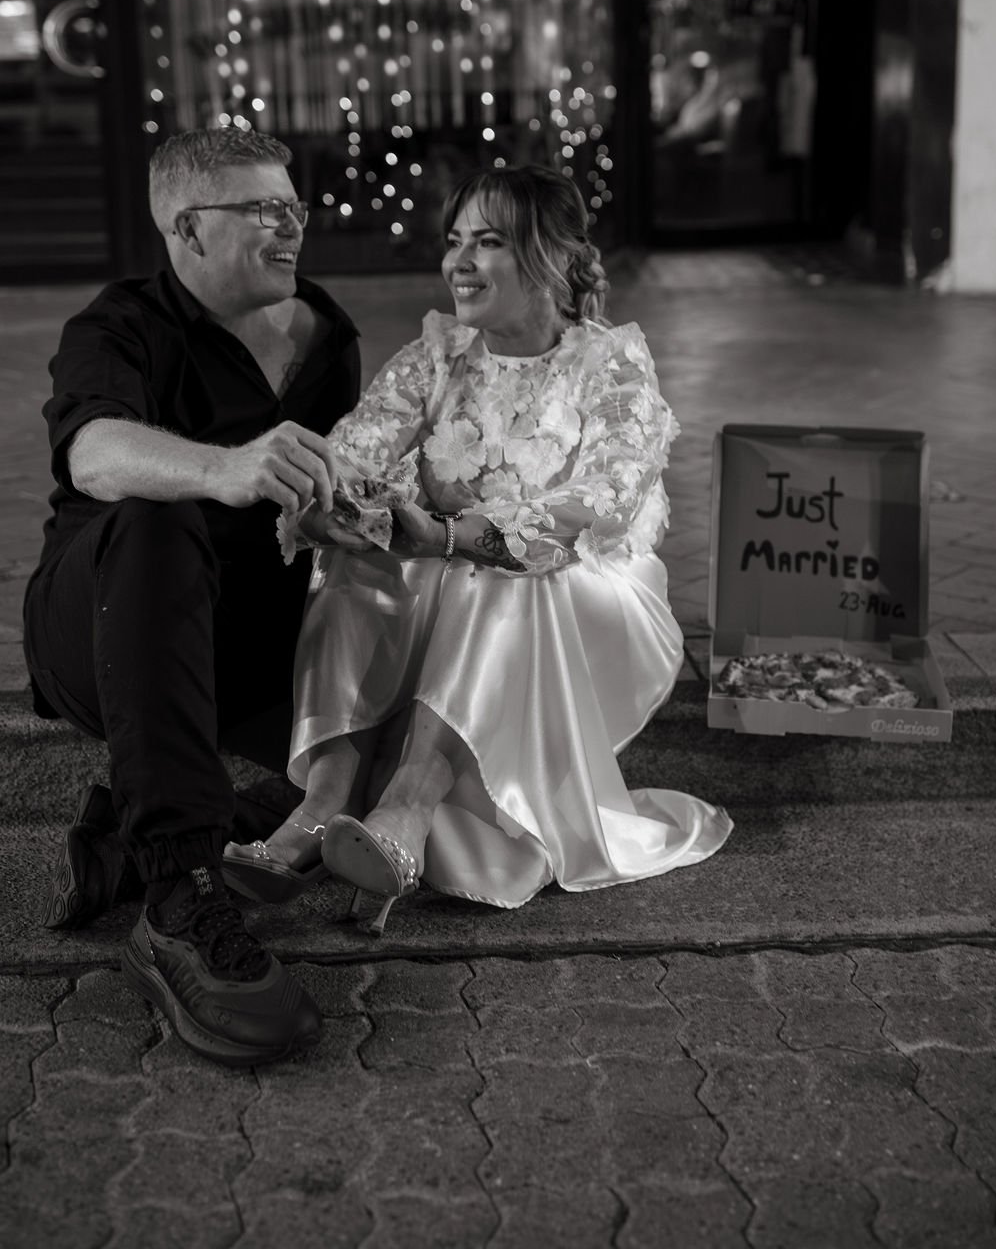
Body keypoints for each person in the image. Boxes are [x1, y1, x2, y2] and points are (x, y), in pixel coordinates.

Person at [222, 163, 732, 932]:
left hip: (588, 595)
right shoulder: (440, 354)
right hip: (451, 575)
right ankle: (323, 804)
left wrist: (459, 535)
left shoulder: (610, 364)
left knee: (504, 567)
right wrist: (327, 504)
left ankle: (408, 806)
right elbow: (356, 446)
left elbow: (597, 504)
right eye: (455, 240)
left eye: (488, 242)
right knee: (354, 554)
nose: (459, 262)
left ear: (553, 258)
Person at [23, 126, 361, 1065]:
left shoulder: (327, 332)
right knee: (158, 514)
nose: (291, 226)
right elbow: (93, 455)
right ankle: (176, 894)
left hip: (237, 646)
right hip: (101, 631)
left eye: (294, 206)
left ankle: (129, 843)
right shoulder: (119, 324)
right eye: (262, 211)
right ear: (187, 228)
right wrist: (221, 468)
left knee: (394, 727)